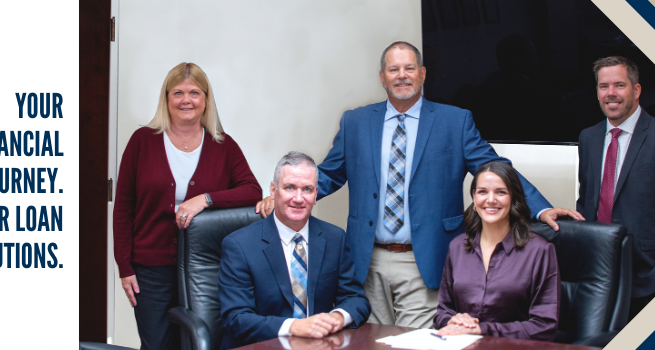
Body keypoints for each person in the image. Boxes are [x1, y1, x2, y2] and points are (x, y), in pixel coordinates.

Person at [255, 41, 581, 328]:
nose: (402, 75)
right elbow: (328, 174)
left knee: (415, 342)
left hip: (424, 256)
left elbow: (496, 170)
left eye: (409, 67)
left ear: (422, 73)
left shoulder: (455, 121)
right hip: (366, 259)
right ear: (382, 77)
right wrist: (285, 198)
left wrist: (541, 208)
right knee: (371, 341)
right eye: (393, 69)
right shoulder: (355, 121)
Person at [113, 62, 263, 350]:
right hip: (150, 267)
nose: (186, 100)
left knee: (200, 343)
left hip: (204, 267)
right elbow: (123, 209)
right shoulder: (142, 141)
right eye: (178, 93)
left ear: (206, 100)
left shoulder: (223, 145)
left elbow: (251, 191)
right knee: (157, 344)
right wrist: (125, 267)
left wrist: (205, 199)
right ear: (166, 99)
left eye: (194, 93)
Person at [576, 56, 655, 319]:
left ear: (637, 89)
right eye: (603, 86)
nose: (610, 93)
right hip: (597, 274)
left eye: (619, 85)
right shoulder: (588, 138)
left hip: (648, 278)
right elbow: (586, 200)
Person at [220, 152, 370, 349]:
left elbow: (356, 299)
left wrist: (337, 318)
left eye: (307, 189)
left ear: (316, 194)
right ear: (273, 191)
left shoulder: (334, 238)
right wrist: (296, 327)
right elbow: (236, 319)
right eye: (290, 187)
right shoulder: (239, 245)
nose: (298, 198)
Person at [433, 161, 559, 341]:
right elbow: (442, 312)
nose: (490, 199)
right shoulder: (457, 246)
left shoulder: (540, 251)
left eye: (501, 192)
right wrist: (454, 320)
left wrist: (481, 330)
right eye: (482, 192)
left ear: (514, 198)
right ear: (474, 198)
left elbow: (544, 326)